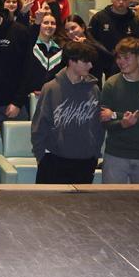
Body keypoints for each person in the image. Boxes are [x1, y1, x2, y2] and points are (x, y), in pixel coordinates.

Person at [30, 40, 104, 184]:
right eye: (86, 61)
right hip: (54, 160)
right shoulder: (51, 88)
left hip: (86, 161)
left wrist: (95, 154)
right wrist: (40, 157)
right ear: (72, 61)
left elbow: (98, 126)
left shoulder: (94, 89)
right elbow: (40, 125)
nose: (90, 65)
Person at [99, 37, 139, 184]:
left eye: (126, 58)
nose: (121, 62)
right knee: (112, 197)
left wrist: (115, 115)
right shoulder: (111, 83)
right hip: (115, 153)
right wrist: (122, 123)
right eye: (119, 58)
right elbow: (103, 119)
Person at [87, 0, 139, 77]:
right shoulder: (99, 18)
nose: (121, 2)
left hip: (128, 62)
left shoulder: (136, 21)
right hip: (103, 61)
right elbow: (91, 39)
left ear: (130, 0)